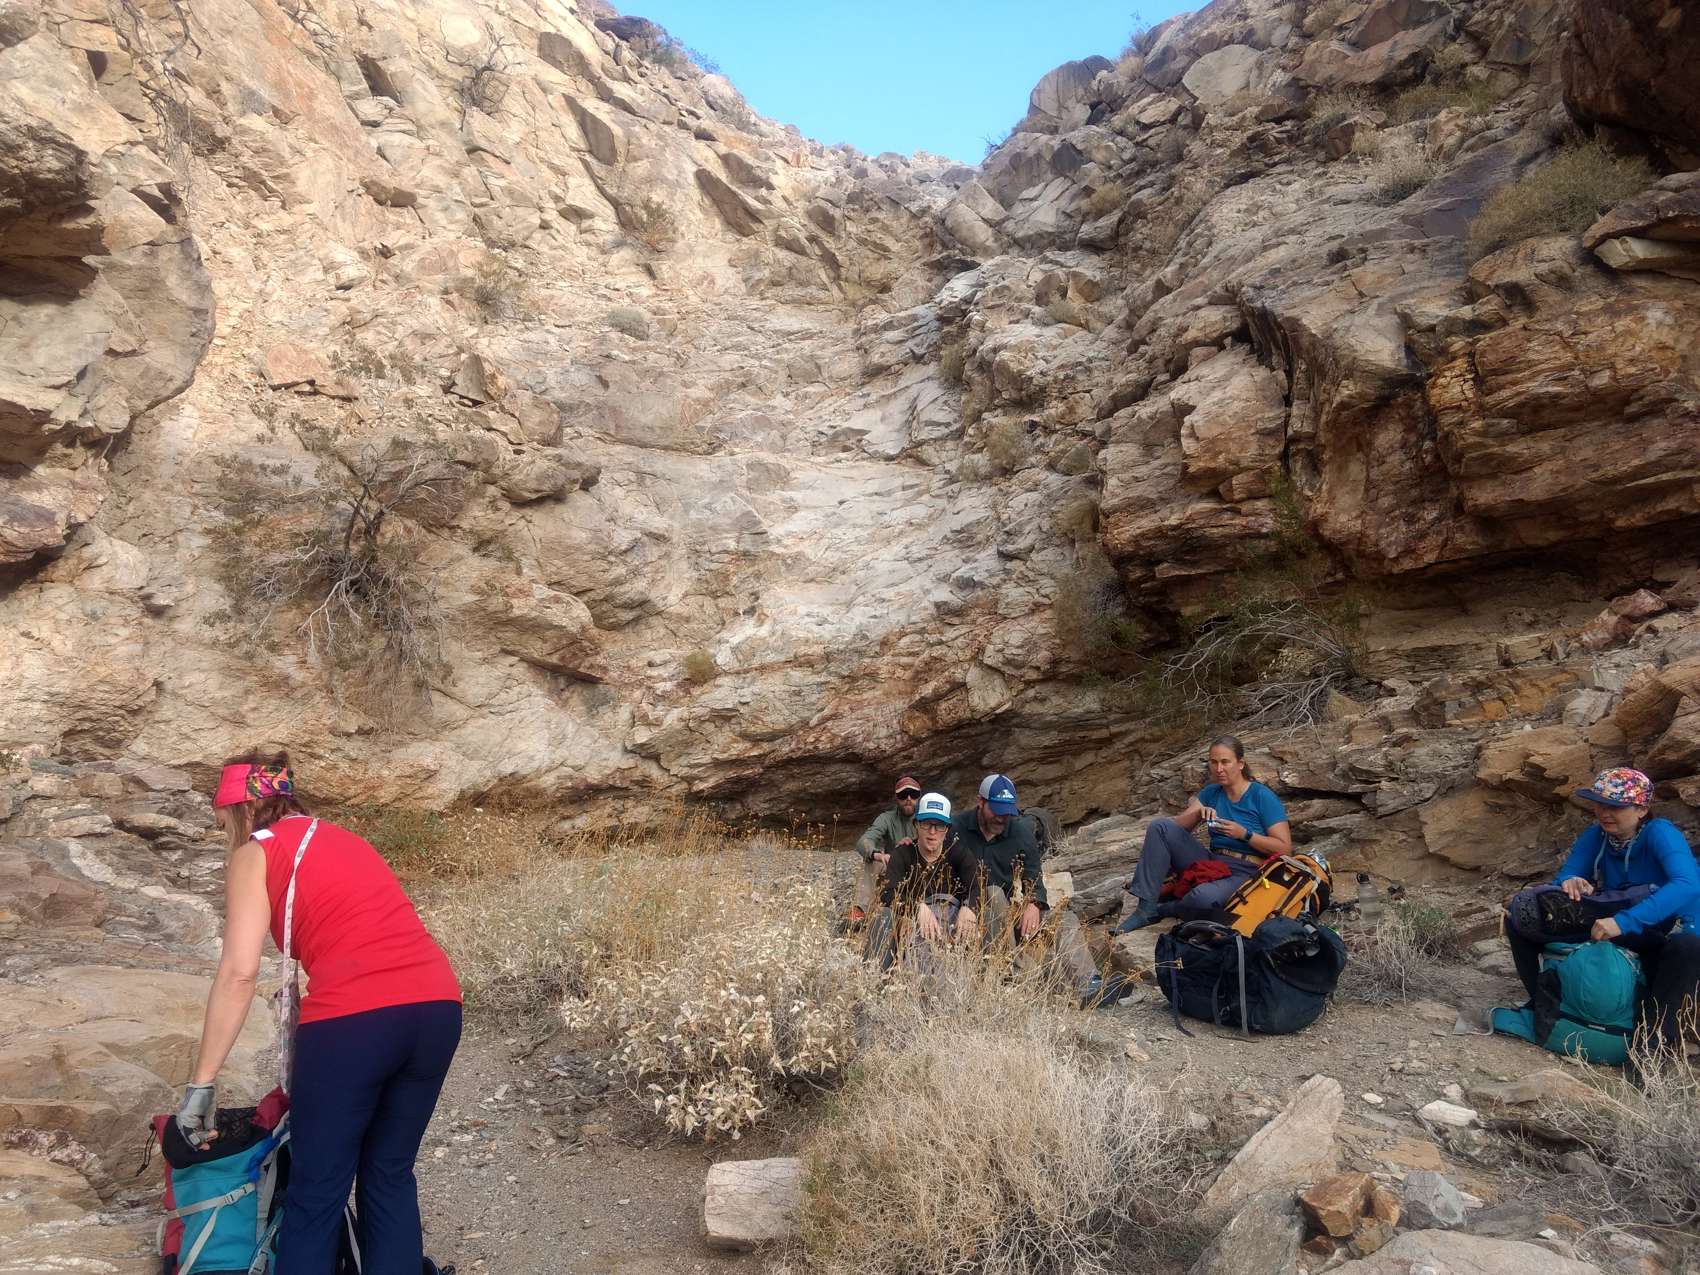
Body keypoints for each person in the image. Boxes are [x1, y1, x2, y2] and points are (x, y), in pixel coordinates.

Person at [178, 751, 462, 1275]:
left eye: (222, 825)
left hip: (356, 1021)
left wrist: (202, 1084)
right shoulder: (344, 838)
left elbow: (239, 973)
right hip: (438, 1007)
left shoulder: (257, 851)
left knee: (318, 1189)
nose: (225, 838)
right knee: (389, 1173)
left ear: (242, 809)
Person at [1505, 767, 1700, 1046]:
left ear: (1642, 809)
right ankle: (1544, 1006)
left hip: (1667, 932)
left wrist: (1622, 922)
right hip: (1623, 925)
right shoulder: (1597, 835)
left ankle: (1657, 1047)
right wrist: (1572, 883)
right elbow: (1563, 881)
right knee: (1522, 921)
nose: (1604, 812)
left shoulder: (1660, 832)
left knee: (1688, 947)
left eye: (1615, 806)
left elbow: (1687, 884)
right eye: (1599, 804)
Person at [954, 774, 1112, 1006]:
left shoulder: (1019, 831)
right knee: (993, 893)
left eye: (1006, 811)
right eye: (996, 810)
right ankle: (1007, 976)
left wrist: (1034, 903)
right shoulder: (956, 827)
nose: (1001, 817)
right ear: (980, 801)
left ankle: (1089, 985)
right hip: (966, 916)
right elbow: (928, 851)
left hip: (1005, 915)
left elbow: (1034, 875)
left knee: (1062, 918)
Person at [1119, 735, 1292, 932]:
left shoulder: (1261, 796)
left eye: (1225, 762)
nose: (1219, 769)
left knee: (1202, 898)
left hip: (1246, 870)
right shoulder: (1212, 792)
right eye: (1214, 762)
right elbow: (1175, 828)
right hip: (1213, 861)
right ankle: (1146, 909)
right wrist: (1198, 814)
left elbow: (1285, 849)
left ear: (1240, 763)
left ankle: (1168, 908)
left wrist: (1245, 834)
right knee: (1160, 826)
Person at [864, 792, 983, 970]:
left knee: (982, 915)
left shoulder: (960, 853)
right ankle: (874, 976)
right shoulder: (902, 854)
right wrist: (915, 907)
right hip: (910, 929)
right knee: (884, 916)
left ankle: (981, 975)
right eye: (926, 824)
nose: (932, 832)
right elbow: (887, 893)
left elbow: (977, 886)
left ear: (947, 829)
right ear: (916, 825)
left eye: (939, 825)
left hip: (951, 930)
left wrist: (969, 907)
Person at [850, 776, 921, 924]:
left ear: (919, 796)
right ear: (896, 798)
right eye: (903, 794)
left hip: (922, 869)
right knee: (873, 862)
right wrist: (878, 855)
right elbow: (864, 841)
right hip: (894, 868)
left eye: (913, 794)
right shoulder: (887, 818)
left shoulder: (926, 817)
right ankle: (860, 910)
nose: (908, 799)